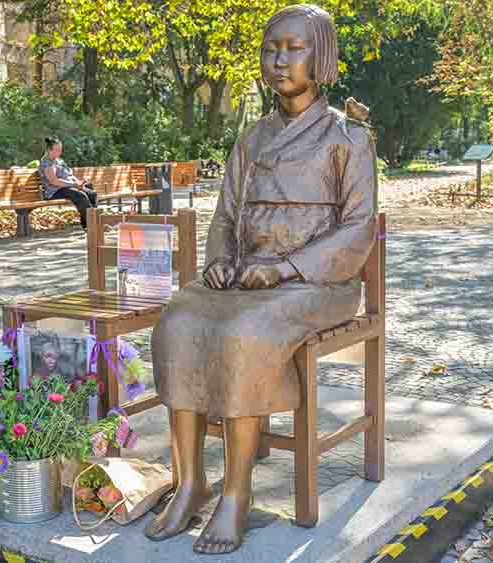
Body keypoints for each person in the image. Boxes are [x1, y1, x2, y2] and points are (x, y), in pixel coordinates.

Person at [147, 5, 378, 554]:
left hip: (315, 283)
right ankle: (189, 481)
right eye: (271, 48)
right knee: (178, 318)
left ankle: (236, 495)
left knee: (242, 332)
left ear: (318, 56)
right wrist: (222, 260)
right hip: (247, 277)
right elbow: (227, 214)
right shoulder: (251, 138)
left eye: (293, 48)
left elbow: (358, 227)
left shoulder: (349, 137)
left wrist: (285, 267)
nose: (279, 60)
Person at [37, 136, 98, 230]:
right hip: (55, 191)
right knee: (80, 196)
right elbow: (54, 181)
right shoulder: (47, 163)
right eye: (57, 150)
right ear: (49, 150)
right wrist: (74, 185)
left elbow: (69, 174)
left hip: (67, 187)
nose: (59, 152)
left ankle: (88, 224)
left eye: (60, 149)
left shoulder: (59, 161)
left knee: (92, 193)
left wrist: (78, 183)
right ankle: (93, 225)